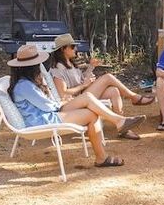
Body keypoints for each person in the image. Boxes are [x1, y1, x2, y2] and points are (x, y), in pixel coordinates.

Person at [9, 44, 146, 167]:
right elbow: (48, 106)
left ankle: (117, 126)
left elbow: (48, 103)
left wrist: (63, 100)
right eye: (37, 64)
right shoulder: (25, 86)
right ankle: (104, 151)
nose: (40, 66)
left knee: (88, 99)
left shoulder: (28, 82)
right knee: (91, 112)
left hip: (50, 113)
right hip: (43, 119)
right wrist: (63, 101)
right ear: (32, 66)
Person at [49, 33, 154, 140]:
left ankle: (124, 128)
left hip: (82, 95)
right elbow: (63, 93)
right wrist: (84, 85)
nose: (75, 49)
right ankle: (134, 97)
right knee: (108, 77)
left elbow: (81, 81)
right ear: (63, 49)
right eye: (72, 46)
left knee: (113, 91)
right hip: (75, 102)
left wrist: (91, 67)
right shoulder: (58, 69)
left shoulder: (71, 64)